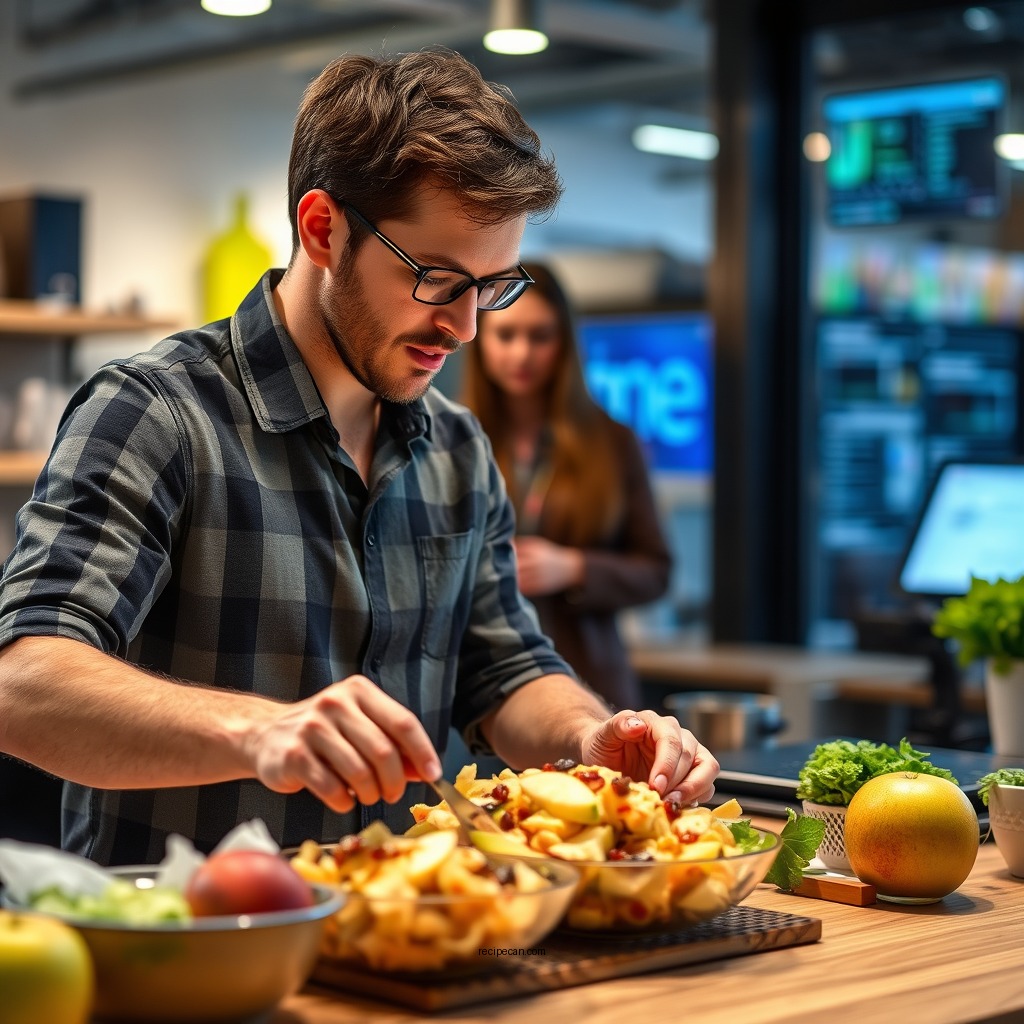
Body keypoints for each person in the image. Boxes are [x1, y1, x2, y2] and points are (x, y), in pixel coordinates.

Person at [0, 48, 717, 866]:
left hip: (413, 944)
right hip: (191, 962)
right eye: (439, 279)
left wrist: (589, 733)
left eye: (493, 287)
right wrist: (260, 730)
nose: (468, 328)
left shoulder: (456, 446)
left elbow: (505, 665)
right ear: (322, 228)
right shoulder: (155, 412)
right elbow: (23, 684)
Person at [462, 262, 672, 711]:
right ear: (480, 339)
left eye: (539, 336)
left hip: (589, 679)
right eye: (506, 335)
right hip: (478, 684)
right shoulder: (451, 437)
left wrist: (574, 568)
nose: (521, 353)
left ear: (564, 343)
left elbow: (658, 570)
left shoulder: (612, 442)